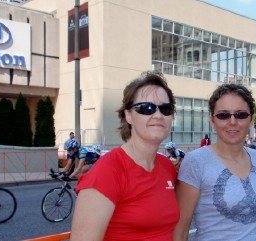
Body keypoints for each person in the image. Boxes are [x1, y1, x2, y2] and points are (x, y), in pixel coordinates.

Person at [71, 71, 179, 240]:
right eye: (146, 108)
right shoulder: (107, 171)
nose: (158, 115)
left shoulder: (167, 167)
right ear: (128, 115)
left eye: (166, 109)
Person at [174, 83, 256, 241]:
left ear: (251, 120)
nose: (232, 121)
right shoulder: (196, 161)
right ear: (212, 121)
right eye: (223, 115)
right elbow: (180, 230)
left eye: (241, 114)